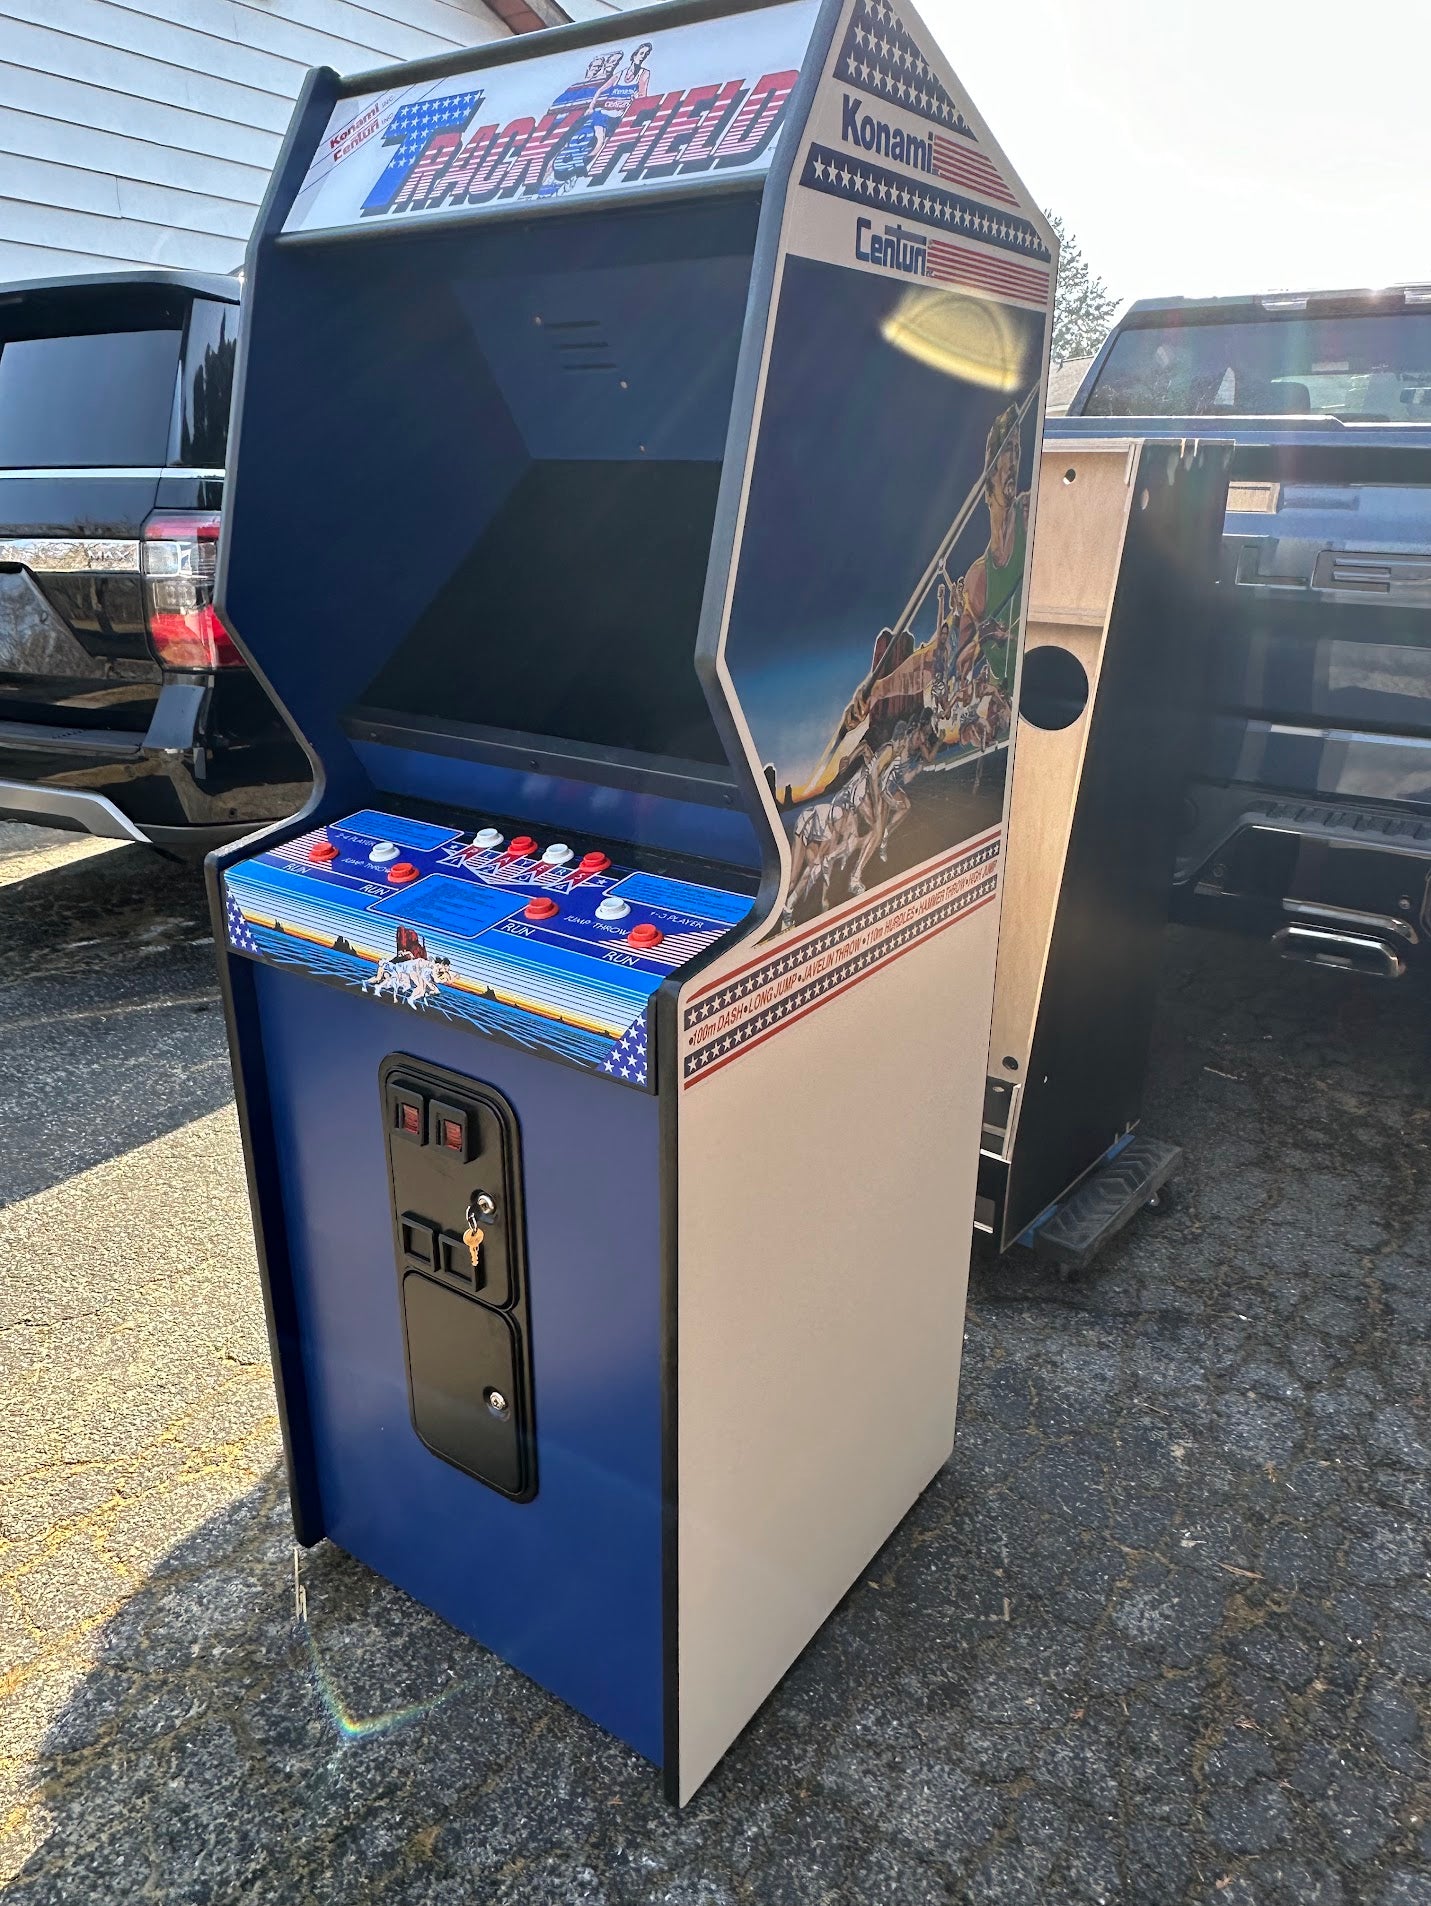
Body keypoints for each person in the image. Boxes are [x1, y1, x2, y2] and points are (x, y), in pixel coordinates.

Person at [955, 404, 1030, 694]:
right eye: (1006, 452)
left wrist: (1000, 636)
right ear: (987, 486)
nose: (1013, 462)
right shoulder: (977, 580)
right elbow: (948, 656)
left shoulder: (1027, 511)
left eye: (1017, 449)